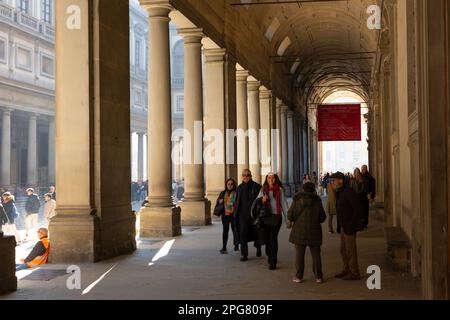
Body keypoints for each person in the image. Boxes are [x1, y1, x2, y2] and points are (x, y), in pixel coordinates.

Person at [288, 182, 326, 283]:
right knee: (316, 255)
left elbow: (290, 216)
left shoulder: (297, 200)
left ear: (303, 189)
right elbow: (322, 217)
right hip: (314, 231)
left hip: (299, 231)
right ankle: (318, 276)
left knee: (299, 255)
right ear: (313, 190)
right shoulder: (317, 201)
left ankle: (298, 276)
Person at [331, 172, 363, 281]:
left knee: (351, 250)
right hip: (344, 225)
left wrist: (351, 223)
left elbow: (357, 208)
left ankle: (354, 272)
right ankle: (346, 269)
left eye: (334, 180)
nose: (332, 183)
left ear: (340, 181)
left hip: (349, 226)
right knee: (343, 249)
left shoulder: (348, 191)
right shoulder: (340, 192)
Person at [253, 173, 289, 270]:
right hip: (266, 217)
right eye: (269, 177)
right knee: (268, 240)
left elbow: (284, 205)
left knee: (273, 239)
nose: (271, 179)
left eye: (273, 178)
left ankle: (273, 262)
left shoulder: (279, 190)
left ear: (276, 179)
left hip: (276, 218)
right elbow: (256, 202)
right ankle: (270, 256)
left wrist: (288, 220)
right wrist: (262, 200)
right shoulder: (263, 190)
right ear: (266, 179)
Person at [234, 169, 262, 262]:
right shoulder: (239, 188)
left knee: (256, 233)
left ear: (251, 176)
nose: (245, 177)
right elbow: (236, 202)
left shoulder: (257, 186)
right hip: (243, 216)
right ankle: (244, 254)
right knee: (242, 234)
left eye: (247, 175)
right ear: (242, 176)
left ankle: (258, 248)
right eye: (244, 175)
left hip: (254, 215)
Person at [215, 179, 239, 254]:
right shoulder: (223, 193)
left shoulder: (237, 193)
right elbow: (218, 201)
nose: (230, 185)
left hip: (234, 215)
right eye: (228, 184)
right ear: (226, 185)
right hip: (225, 215)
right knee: (225, 231)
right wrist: (219, 201)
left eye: (231, 184)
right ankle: (224, 247)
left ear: (234, 185)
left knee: (235, 230)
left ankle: (236, 245)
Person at [361, 165, 376, 229]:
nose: (362, 171)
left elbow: (372, 187)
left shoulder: (369, 177)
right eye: (362, 169)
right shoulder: (362, 176)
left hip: (366, 195)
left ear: (366, 169)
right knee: (363, 210)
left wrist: (372, 196)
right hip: (362, 195)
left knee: (365, 210)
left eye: (363, 169)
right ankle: (363, 223)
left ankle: (364, 223)